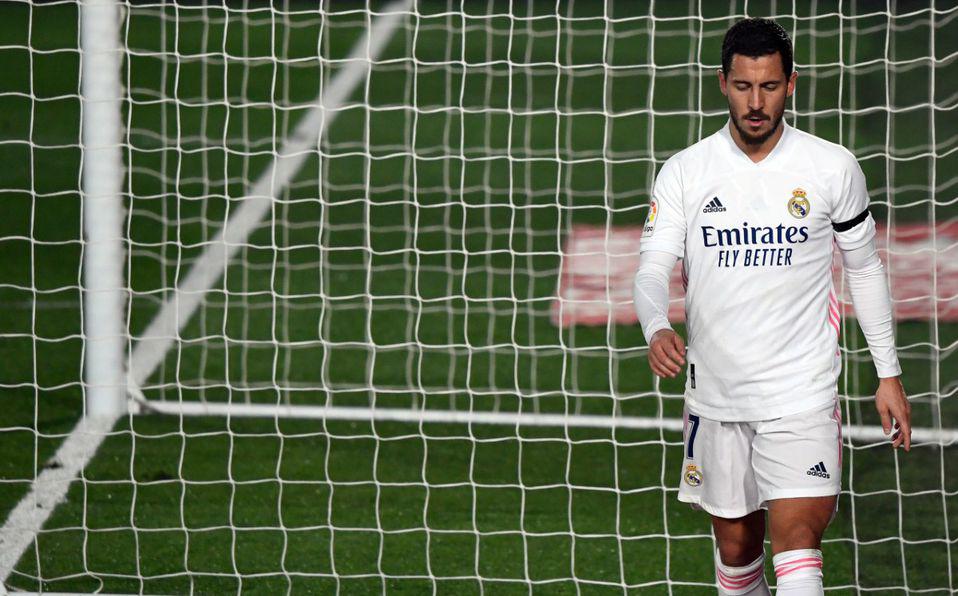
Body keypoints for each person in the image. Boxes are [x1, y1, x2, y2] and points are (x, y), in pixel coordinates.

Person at [632, 17, 911, 596]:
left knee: (798, 544)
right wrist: (656, 326)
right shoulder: (686, 172)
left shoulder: (831, 167)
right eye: (743, 86)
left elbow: (864, 268)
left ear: (791, 83)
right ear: (722, 83)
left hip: (801, 393)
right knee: (737, 555)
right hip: (717, 397)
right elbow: (653, 269)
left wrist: (888, 373)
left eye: (769, 86)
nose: (755, 103)